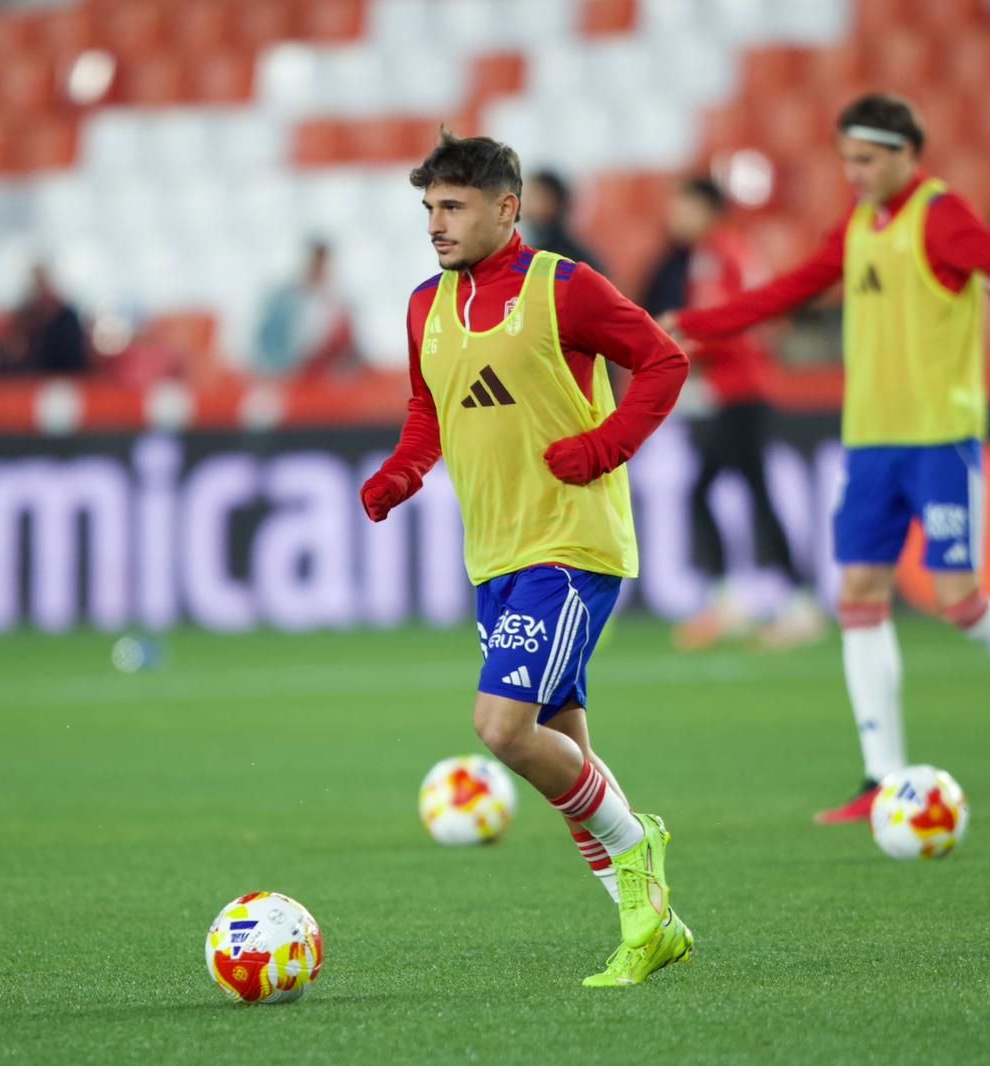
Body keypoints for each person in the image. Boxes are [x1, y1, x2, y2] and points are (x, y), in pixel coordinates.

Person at [661, 93, 990, 823]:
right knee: (860, 596)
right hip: (869, 442)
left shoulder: (940, 215)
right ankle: (882, 776)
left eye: (867, 159)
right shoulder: (858, 227)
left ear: (907, 153)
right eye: (846, 160)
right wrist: (695, 323)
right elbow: (791, 289)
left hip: (939, 439)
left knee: (957, 600)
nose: (855, 173)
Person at [360, 132, 693, 987]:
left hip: (574, 545)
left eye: (453, 207)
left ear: (507, 209)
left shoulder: (562, 288)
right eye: (428, 207)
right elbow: (428, 408)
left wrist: (607, 445)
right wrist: (404, 470)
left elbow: (663, 361)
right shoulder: (423, 306)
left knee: (503, 729)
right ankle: (647, 920)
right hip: (495, 556)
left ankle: (637, 844)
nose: (435, 224)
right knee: (562, 746)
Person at [643, 176, 826, 651]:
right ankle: (756, 601)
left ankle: (782, 603)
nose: (674, 218)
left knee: (732, 491)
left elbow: (730, 323)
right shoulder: (730, 251)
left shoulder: (716, 254)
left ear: (706, 209)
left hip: (736, 390)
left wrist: (678, 349)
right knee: (729, 490)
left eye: (682, 207)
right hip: (736, 389)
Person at [252, 242, 358, 377]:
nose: (320, 269)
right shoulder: (286, 299)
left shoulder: (338, 302)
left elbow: (347, 344)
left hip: (326, 376)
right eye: (316, 263)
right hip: (291, 374)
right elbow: (268, 340)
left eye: (324, 264)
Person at [0, 265, 88, 377]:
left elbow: (74, 356)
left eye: (42, 283)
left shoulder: (67, 317)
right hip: (30, 380)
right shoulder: (25, 316)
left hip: (66, 378)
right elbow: (13, 351)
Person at [519, 170, 605, 273]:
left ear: (553, 202)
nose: (525, 203)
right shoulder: (533, 246)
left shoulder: (566, 258)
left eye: (533, 196)